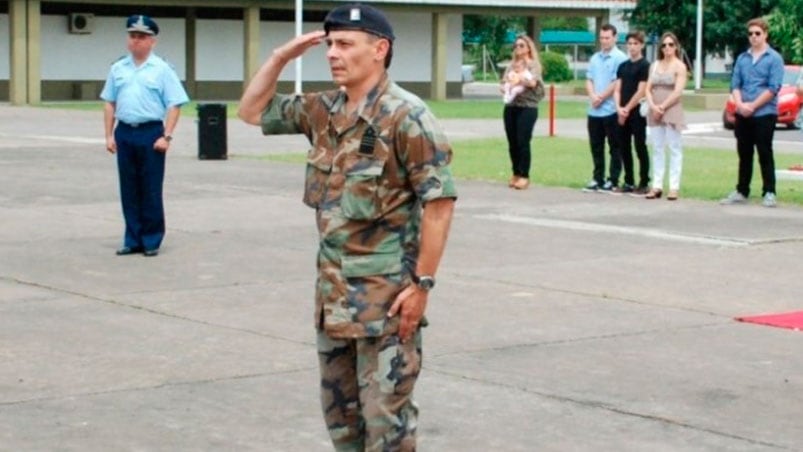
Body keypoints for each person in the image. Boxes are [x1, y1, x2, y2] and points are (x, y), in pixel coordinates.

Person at [237, 4, 457, 451]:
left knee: (387, 431)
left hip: (386, 306)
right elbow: (250, 111)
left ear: (380, 49)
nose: (332, 54)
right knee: (343, 426)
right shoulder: (324, 110)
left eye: (345, 44)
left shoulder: (406, 116)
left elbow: (440, 205)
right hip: (333, 301)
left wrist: (423, 285)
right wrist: (281, 57)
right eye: (330, 44)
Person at [100, 15, 189, 257]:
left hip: (151, 133)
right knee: (128, 188)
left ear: (152, 41)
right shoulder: (118, 68)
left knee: (149, 188)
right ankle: (132, 239)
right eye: (133, 36)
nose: (136, 41)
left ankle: (151, 239)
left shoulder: (162, 69)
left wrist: (167, 136)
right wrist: (109, 135)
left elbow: (175, 104)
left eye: (142, 37)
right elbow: (109, 102)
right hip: (126, 132)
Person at [720, 18, 785, 208]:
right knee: (744, 152)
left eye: (757, 33)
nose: (754, 37)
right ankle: (742, 190)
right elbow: (735, 84)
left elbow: (773, 88)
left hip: (764, 112)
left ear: (765, 34)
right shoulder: (743, 58)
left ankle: (769, 191)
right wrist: (740, 104)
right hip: (743, 112)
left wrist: (753, 105)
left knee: (764, 151)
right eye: (751, 34)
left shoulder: (774, 58)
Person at [583, 24, 628, 193]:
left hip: (611, 110)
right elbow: (589, 79)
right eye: (602, 38)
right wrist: (593, 95)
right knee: (596, 146)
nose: (604, 41)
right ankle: (597, 177)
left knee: (615, 146)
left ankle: (613, 179)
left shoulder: (620, 58)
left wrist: (601, 96)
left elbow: (617, 81)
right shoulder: (595, 58)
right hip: (594, 111)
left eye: (607, 38)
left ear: (615, 38)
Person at [644, 32, 687, 201]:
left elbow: (678, 91)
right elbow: (648, 87)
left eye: (670, 45)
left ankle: (674, 187)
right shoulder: (655, 65)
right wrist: (653, 106)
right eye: (664, 45)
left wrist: (663, 106)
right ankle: (657, 185)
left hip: (671, 108)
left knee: (674, 147)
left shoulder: (679, 66)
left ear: (675, 46)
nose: (667, 48)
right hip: (655, 109)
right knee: (657, 147)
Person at [500, 34, 544, 190]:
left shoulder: (533, 65)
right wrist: (505, 86)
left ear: (528, 48)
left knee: (522, 140)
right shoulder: (511, 66)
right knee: (512, 141)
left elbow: (532, 82)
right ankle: (516, 173)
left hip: (528, 107)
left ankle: (525, 175)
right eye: (516, 46)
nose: (518, 48)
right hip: (512, 106)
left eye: (522, 45)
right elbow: (504, 82)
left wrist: (520, 80)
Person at [613, 30, 651, 195]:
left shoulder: (645, 66)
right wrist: (619, 108)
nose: (632, 47)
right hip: (622, 111)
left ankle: (644, 182)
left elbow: (641, 90)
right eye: (629, 43)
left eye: (635, 43)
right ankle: (628, 180)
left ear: (641, 45)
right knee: (624, 146)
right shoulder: (623, 66)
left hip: (636, 112)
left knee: (639, 145)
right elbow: (617, 89)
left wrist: (627, 108)